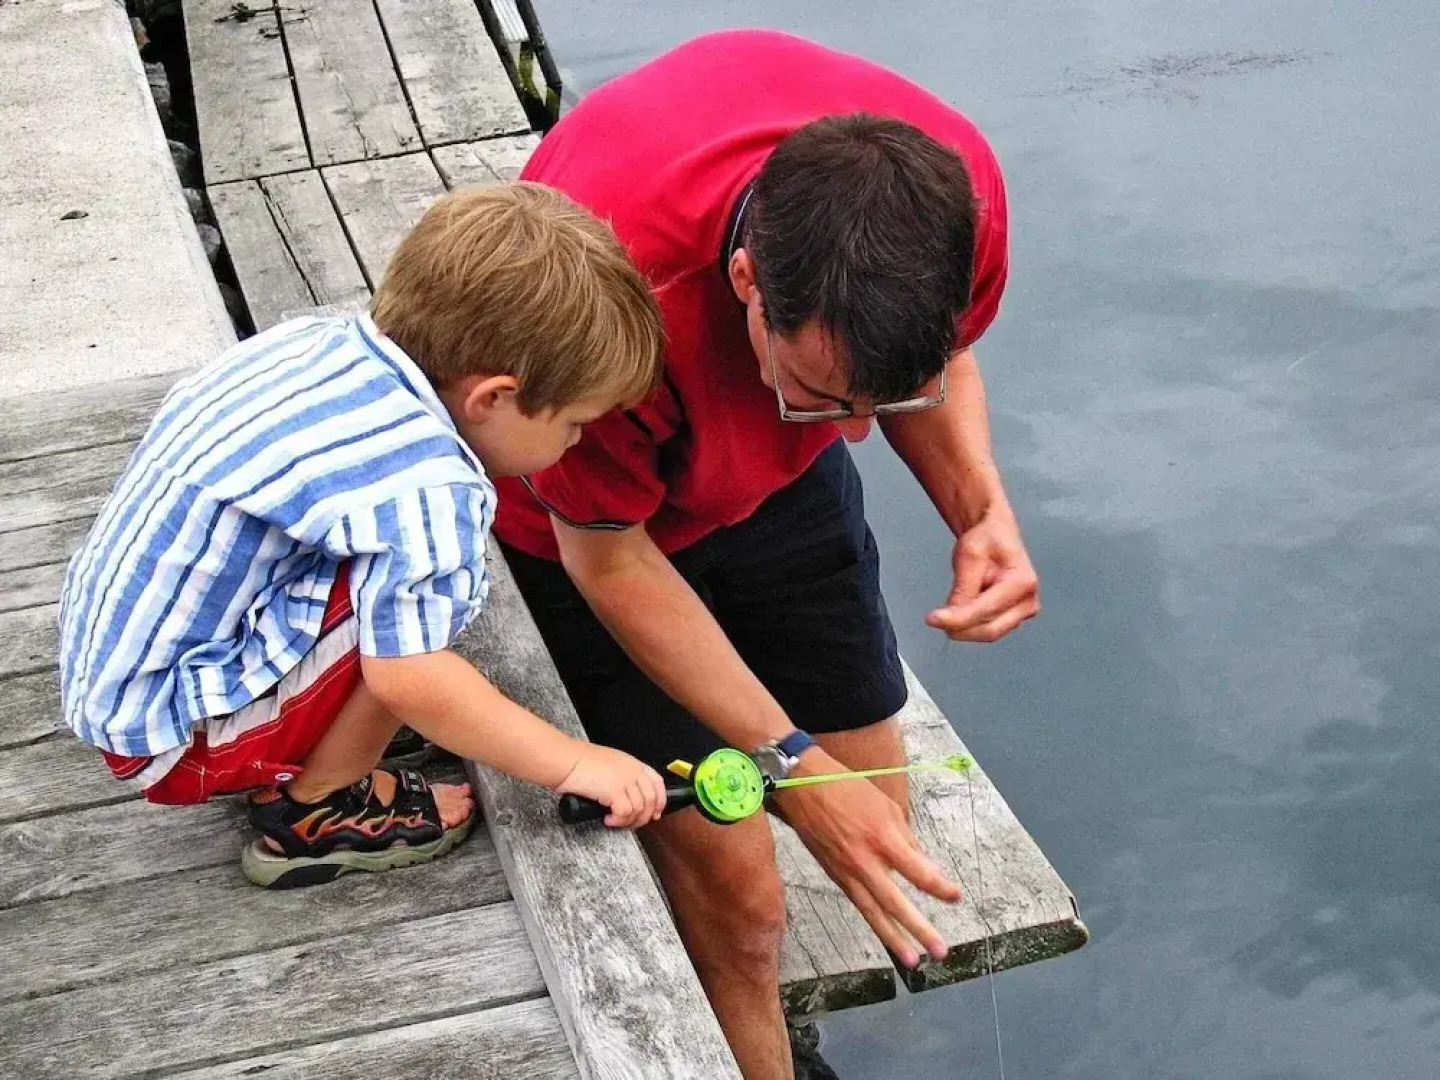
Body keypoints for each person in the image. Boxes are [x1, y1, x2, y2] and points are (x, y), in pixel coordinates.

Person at [493, 29, 1041, 1078]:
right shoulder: (618, 289)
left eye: (881, 403)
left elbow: (934, 362)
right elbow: (608, 562)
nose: (854, 439)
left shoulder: (954, 204)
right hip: (602, 532)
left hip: (767, 493)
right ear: (744, 278)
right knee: (744, 905)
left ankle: (829, 1028)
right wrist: (787, 765)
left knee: (876, 809)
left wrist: (978, 512)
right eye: (824, 395)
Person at [57, 183, 670, 890]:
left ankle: (311, 734)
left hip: (117, 671)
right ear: (493, 398)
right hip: (171, 740)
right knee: (416, 630)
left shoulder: (317, 342)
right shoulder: (431, 485)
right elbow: (410, 679)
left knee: (409, 595)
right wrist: (575, 762)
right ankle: (316, 810)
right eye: (575, 424)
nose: (578, 441)